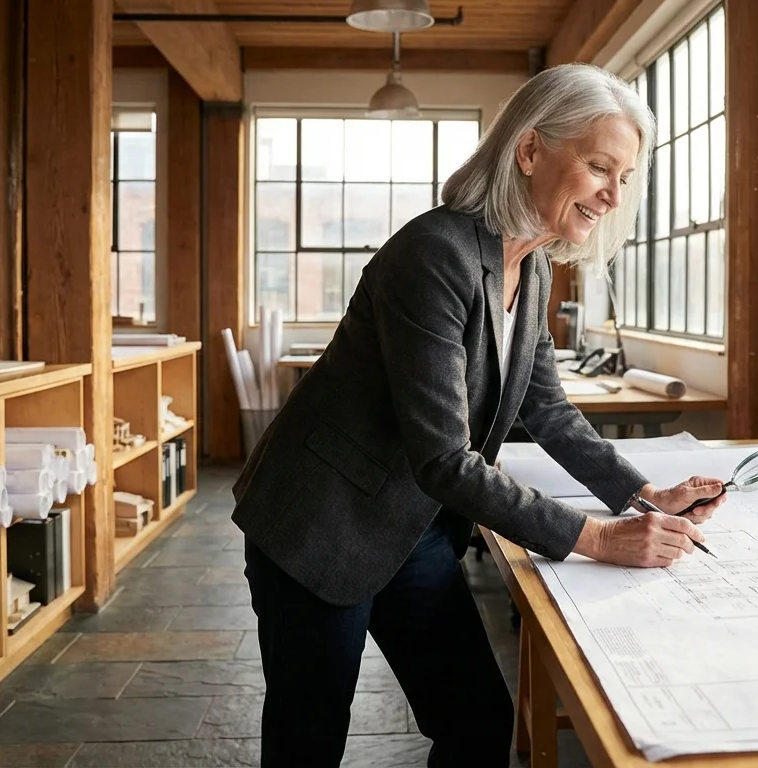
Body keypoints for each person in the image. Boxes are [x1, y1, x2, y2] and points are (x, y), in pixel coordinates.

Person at [232, 63, 728, 768]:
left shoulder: (534, 265)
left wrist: (641, 495)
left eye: (624, 176)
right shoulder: (435, 253)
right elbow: (444, 457)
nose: (615, 195)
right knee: (308, 741)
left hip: (413, 527)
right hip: (320, 524)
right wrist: (599, 538)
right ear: (529, 152)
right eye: (598, 167)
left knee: (476, 722)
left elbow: (545, 406)